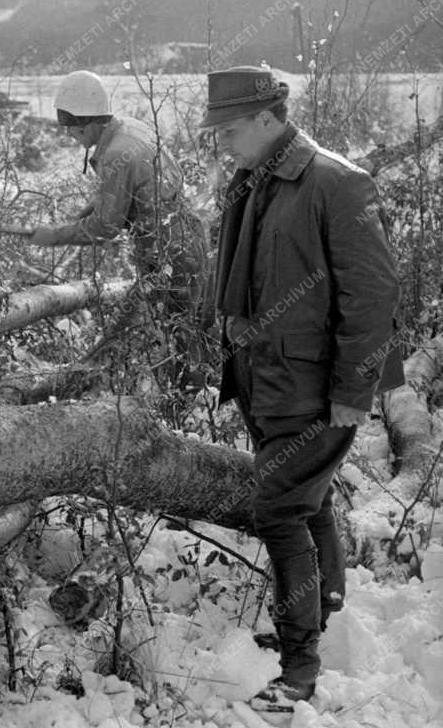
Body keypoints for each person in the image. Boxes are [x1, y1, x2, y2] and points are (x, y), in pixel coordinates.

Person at [202, 66, 404, 712]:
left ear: (268, 117)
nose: (222, 143)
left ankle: (298, 671)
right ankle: (327, 608)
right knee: (307, 501)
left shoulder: (337, 183)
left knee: (279, 510)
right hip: (270, 380)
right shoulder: (255, 179)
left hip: (315, 388)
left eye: (229, 129)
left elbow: (373, 295)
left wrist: (353, 388)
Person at [29, 71, 209, 383]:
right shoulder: (128, 128)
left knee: (179, 336)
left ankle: (190, 410)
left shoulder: (115, 154)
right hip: (186, 236)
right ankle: (190, 401)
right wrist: (92, 209)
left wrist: (55, 236)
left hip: (168, 254)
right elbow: (141, 190)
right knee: (185, 330)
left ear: (89, 121)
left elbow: (104, 228)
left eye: (74, 129)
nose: (72, 136)